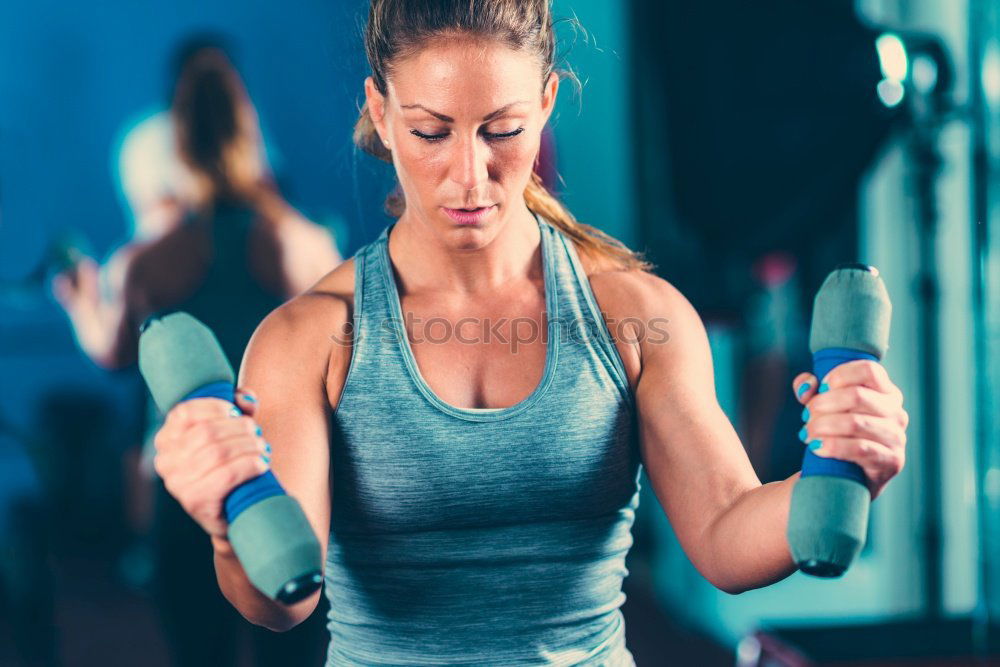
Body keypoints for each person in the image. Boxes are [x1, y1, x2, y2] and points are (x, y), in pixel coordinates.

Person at [152, 1, 910, 664]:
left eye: (502, 129)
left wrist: (840, 465)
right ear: (381, 113)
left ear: (546, 103)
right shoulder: (309, 338)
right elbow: (283, 595)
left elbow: (725, 533)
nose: (470, 175)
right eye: (431, 132)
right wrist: (227, 521)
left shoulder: (633, 316)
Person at [52, 44, 340, 667]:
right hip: (287, 479)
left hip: (188, 484)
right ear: (252, 133)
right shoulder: (308, 245)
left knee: (199, 652)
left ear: (176, 143)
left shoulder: (146, 261)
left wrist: (80, 303)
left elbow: (115, 356)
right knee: (290, 655)